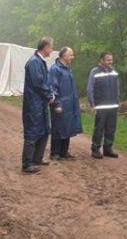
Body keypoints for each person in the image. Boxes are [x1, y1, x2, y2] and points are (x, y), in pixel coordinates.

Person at [21, 36, 56, 174]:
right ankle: (27, 164)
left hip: (41, 102)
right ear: (45, 47)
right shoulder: (34, 62)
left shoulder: (41, 62)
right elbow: (38, 83)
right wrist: (49, 95)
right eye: (51, 47)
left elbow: (45, 82)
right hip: (34, 103)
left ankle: (37, 158)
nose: (52, 50)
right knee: (32, 132)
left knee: (45, 130)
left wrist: (50, 93)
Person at [48, 47, 83, 160]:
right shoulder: (55, 69)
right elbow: (53, 88)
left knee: (67, 127)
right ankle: (55, 153)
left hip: (69, 103)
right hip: (60, 104)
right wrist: (57, 104)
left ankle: (64, 152)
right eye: (71, 55)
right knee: (58, 128)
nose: (73, 57)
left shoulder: (68, 69)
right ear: (63, 56)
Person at [86, 51, 120, 159]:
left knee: (111, 128)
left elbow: (117, 87)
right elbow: (90, 89)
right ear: (102, 60)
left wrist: (117, 101)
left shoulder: (114, 72)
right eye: (108, 60)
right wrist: (92, 104)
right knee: (99, 128)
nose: (111, 62)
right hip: (100, 106)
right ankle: (95, 149)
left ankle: (108, 149)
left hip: (113, 106)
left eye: (111, 59)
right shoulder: (95, 72)